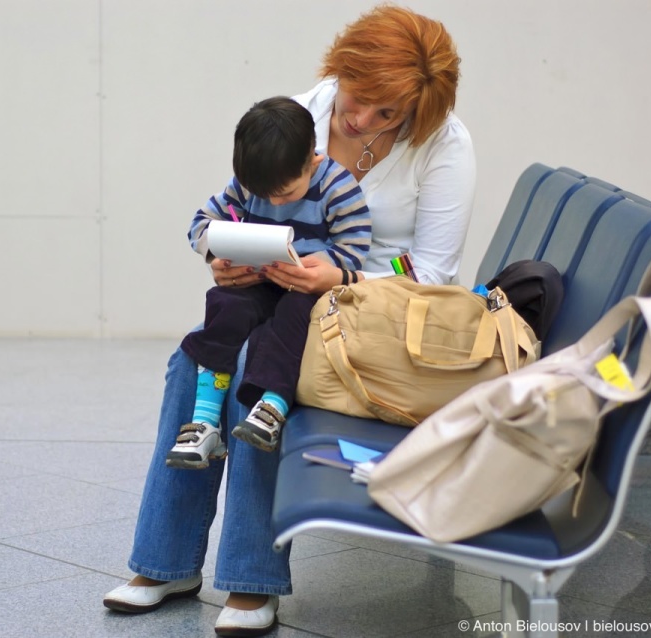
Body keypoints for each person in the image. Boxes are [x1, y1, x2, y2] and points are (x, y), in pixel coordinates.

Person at [104, 5, 476, 636]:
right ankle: (165, 563)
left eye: (388, 115)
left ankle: (252, 581)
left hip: (371, 310)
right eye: (358, 100)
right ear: (342, 71)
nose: (362, 121)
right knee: (195, 355)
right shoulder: (298, 114)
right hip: (282, 287)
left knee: (253, 364)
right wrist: (222, 255)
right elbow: (239, 199)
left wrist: (344, 277)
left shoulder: (444, 145)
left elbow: (435, 275)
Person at [167, 96, 370, 470]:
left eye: (287, 194)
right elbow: (201, 223)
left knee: (292, 320)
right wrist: (217, 254)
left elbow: (355, 250)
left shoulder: (338, 188)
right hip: (259, 282)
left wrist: (323, 271)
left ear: (313, 160)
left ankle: (273, 406)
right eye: (265, 195)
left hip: (307, 292)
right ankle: (205, 421)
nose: (274, 202)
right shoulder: (249, 185)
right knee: (224, 303)